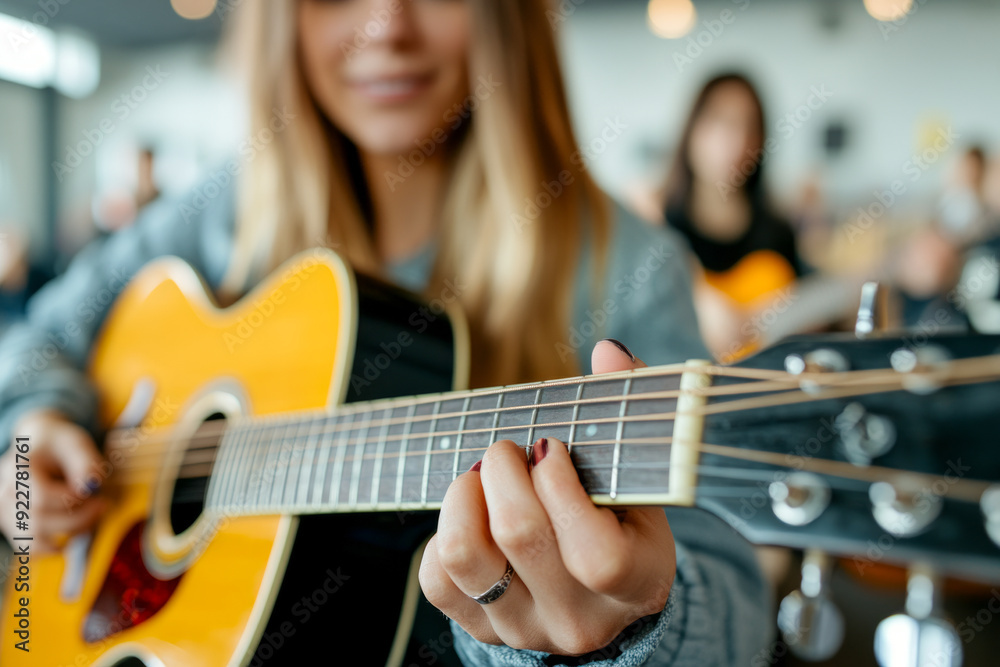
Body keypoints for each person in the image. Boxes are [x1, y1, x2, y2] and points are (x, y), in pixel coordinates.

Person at [0, 1, 770, 663]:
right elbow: (39, 339)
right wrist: (34, 431)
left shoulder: (629, 265)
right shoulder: (224, 210)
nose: (385, 26)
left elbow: (739, 617)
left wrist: (628, 632)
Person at [659, 73, 804, 362]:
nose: (736, 141)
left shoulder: (778, 230)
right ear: (691, 128)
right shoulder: (659, 224)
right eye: (720, 121)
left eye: (749, 126)